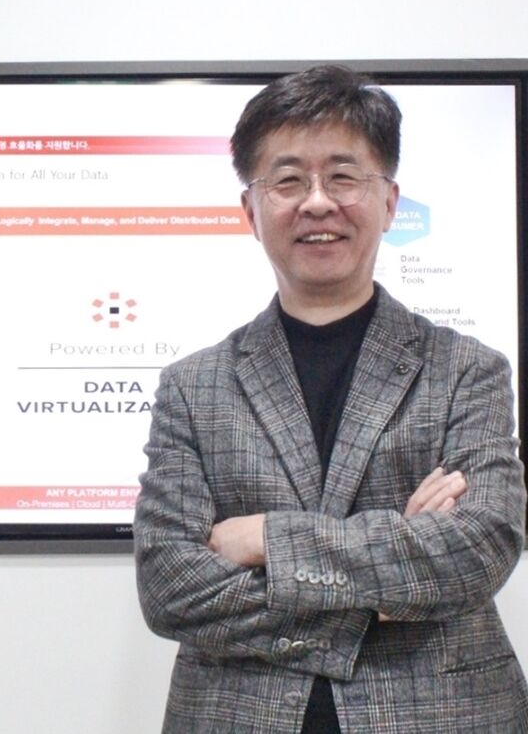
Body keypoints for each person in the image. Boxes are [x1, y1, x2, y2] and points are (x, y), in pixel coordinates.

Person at [133, 65, 528, 733]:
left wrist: (264, 537)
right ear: (251, 211)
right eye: (288, 180)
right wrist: (393, 576)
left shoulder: (468, 371)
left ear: (390, 202)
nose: (317, 202)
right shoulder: (193, 386)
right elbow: (170, 587)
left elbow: (477, 551)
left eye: (343, 176)